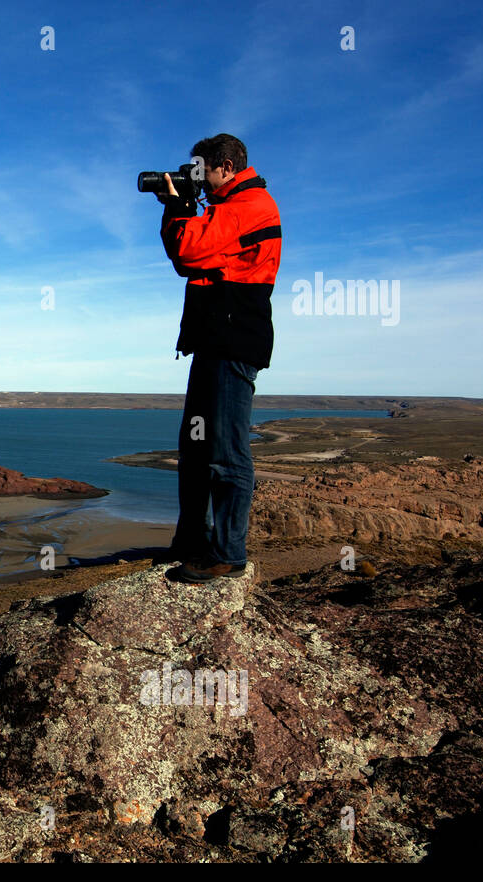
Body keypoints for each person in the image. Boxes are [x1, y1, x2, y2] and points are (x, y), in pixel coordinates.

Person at [157, 133, 282, 583]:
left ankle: (227, 554)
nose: (199, 181)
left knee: (227, 451)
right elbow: (188, 258)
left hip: (232, 342)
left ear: (226, 167)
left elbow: (188, 250)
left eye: (202, 171)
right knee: (194, 449)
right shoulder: (226, 208)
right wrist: (184, 208)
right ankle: (193, 538)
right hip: (213, 340)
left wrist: (178, 207)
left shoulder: (249, 206)